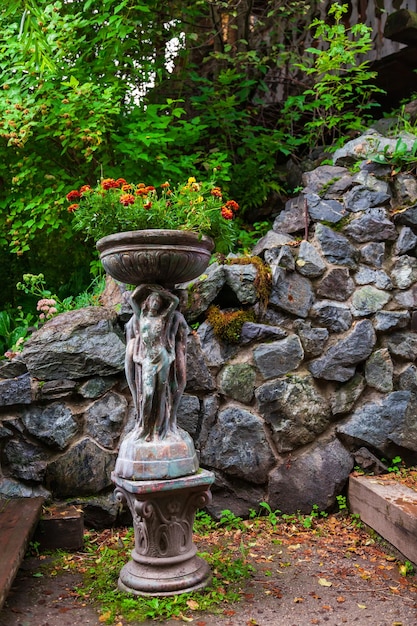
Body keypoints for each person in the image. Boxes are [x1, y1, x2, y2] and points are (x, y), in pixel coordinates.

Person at [125, 284, 186, 440]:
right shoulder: (141, 317)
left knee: (161, 393)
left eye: (158, 302)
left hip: (162, 357)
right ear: (147, 302)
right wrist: (146, 286)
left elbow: (175, 302)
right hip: (148, 360)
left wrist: (160, 291)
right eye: (153, 300)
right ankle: (145, 428)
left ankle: (158, 431)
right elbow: (132, 298)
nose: (155, 303)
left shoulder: (163, 317)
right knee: (148, 394)